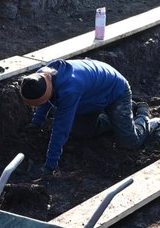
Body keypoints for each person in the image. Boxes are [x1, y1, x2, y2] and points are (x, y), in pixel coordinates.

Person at [20, 58, 151, 176]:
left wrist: (49, 166)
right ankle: (117, 120)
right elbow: (44, 100)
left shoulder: (69, 90)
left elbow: (61, 128)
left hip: (115, 92)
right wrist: (36, 123)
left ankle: (142, 112)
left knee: (129, 142)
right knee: (82, 132)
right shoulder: (40, 76)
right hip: (91, 96)